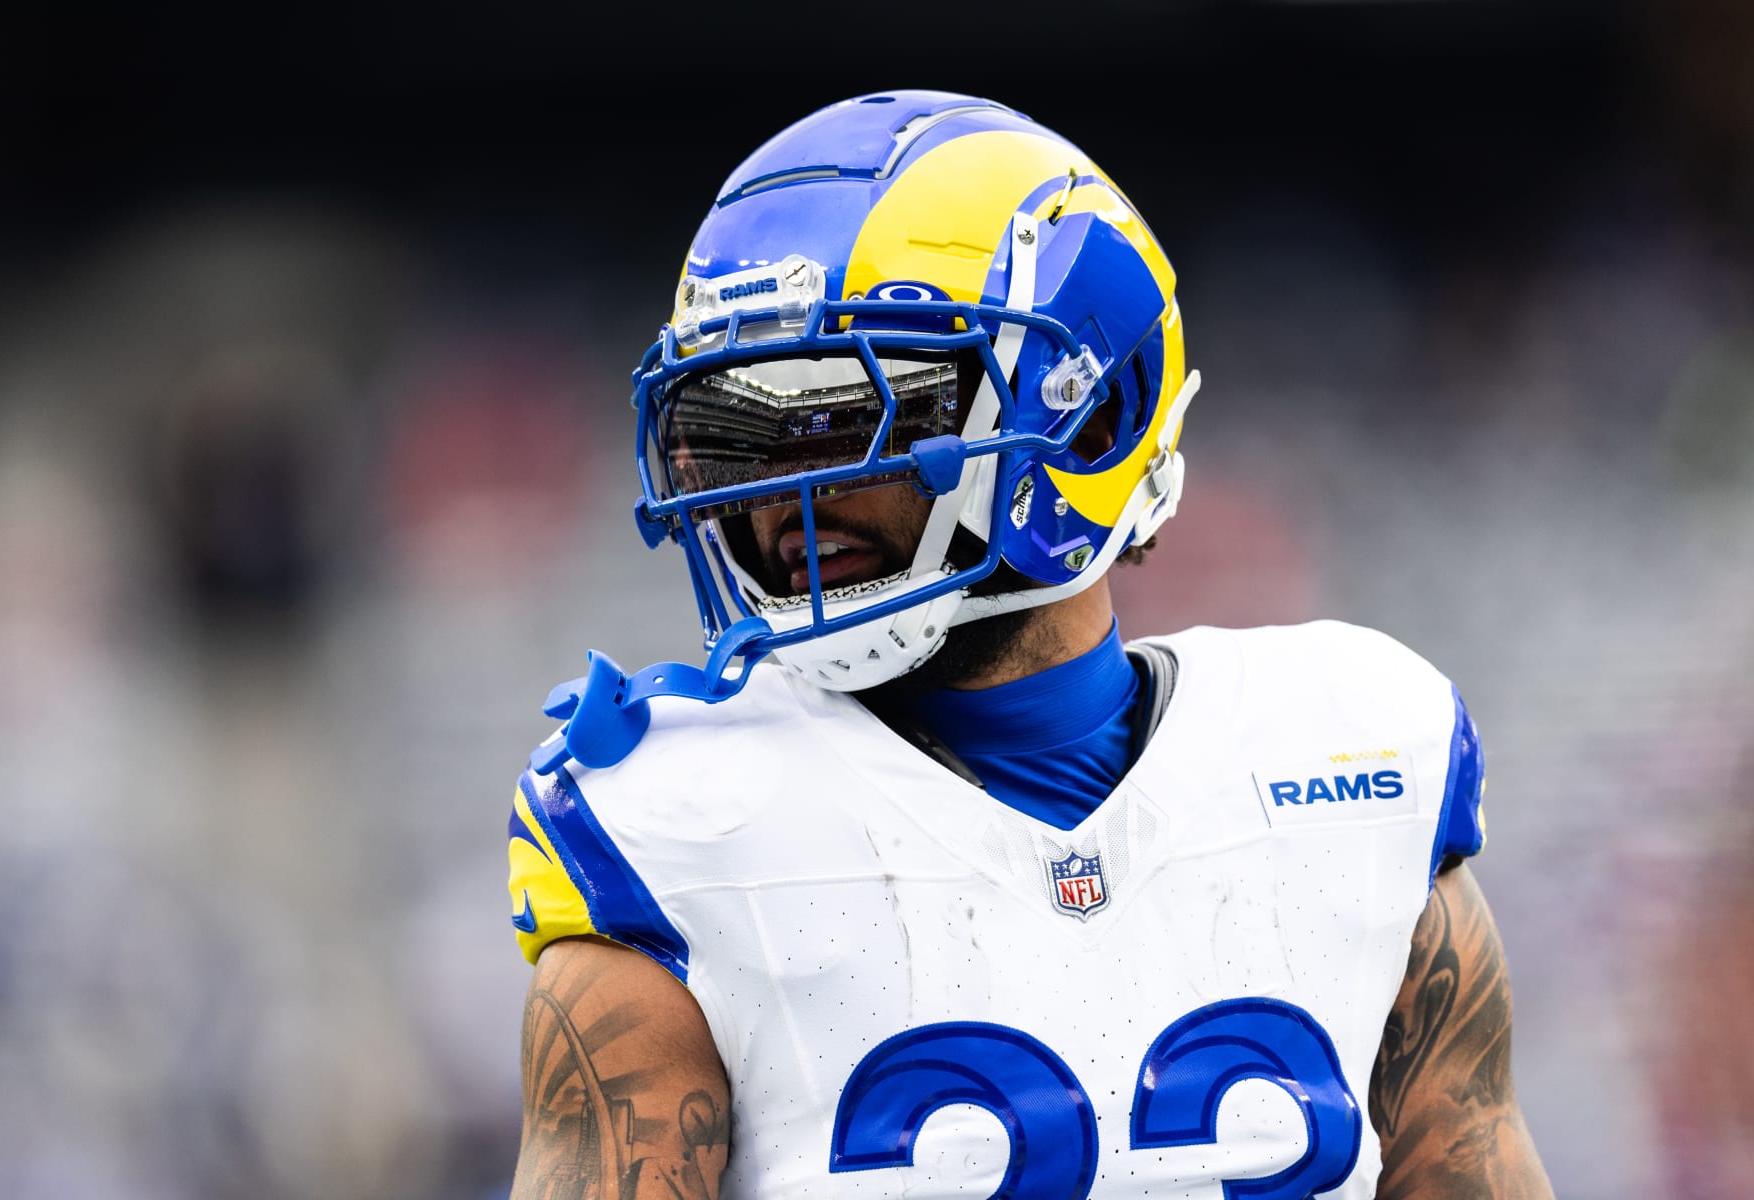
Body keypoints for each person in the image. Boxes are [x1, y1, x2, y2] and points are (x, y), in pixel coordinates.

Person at [503, 89, 1553, 1199]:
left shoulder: (1354, 761)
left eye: (852, 414)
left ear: (1090, 417)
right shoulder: (680, 830)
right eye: (731, 434)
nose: (781, 500)